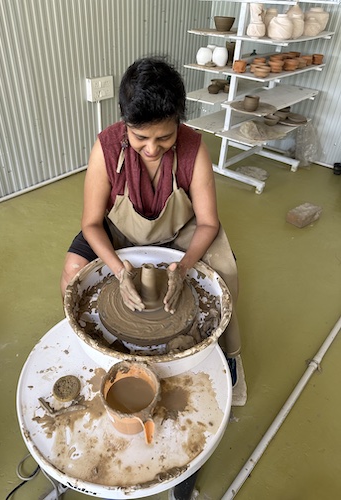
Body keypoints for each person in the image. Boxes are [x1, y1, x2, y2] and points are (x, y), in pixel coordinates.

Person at [61, 55, 242, 500]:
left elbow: (207, 224)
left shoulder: (194, 149)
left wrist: (181, 268)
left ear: (179, 122)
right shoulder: (105, 147)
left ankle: (230, 357)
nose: (152, 147)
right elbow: (90, 224)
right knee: (71, 270)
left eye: (164, 136)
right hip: (120, 233)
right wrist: (120, 270)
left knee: (225, 269)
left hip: (181, 234)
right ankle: (92, 353)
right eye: (141, 137)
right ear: (125, 125)